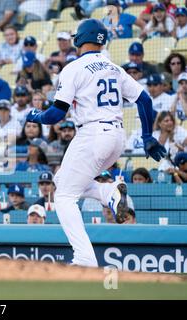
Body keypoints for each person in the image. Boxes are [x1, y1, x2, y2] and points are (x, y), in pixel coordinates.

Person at [25, 19, 166, 267]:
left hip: (92, 135)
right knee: (62, 181)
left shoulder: (73, 68)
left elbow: (57, 114)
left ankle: (84, 258)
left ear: (79, 39)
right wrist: (146, 136)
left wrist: (36, 115)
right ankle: (108, 192)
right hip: (116, 138)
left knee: (64, 197)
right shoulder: (115, 68)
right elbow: (145, 100)